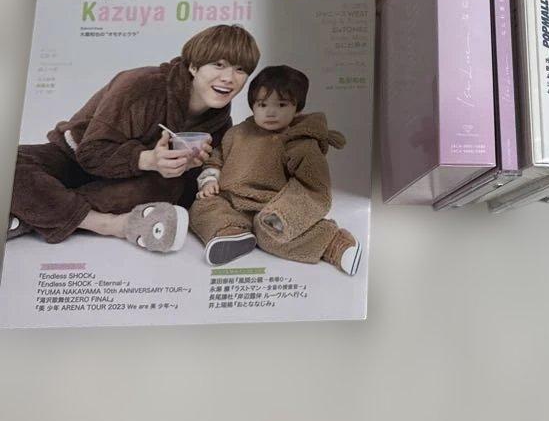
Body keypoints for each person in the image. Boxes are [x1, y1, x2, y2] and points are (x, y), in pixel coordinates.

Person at [9, 24, 259, 251]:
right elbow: (90, 153)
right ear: (194, 66)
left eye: (240, 70)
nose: (228, 78)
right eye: (218, 65)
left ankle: (32, 209)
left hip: (126, 184)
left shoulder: (220, 123)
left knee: (169, 187)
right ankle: (107, 224)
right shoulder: (142, 85)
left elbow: (188, 190)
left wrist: (188, 169)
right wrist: (148, 159)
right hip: (72, 158)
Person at [190, 65, 361, 275]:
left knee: (271, 236)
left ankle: (332, 243)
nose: (270, 112)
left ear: (297, 108)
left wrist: (284, 214)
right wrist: (210, 179)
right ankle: (231, 232)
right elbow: (217, 158)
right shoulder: (237, 133)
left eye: (281, 104)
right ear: (253, 106)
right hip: (231, 201)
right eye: (262, 104)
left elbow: (313, 186)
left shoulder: (300, 142)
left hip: (270, 208)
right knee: (202, 206)